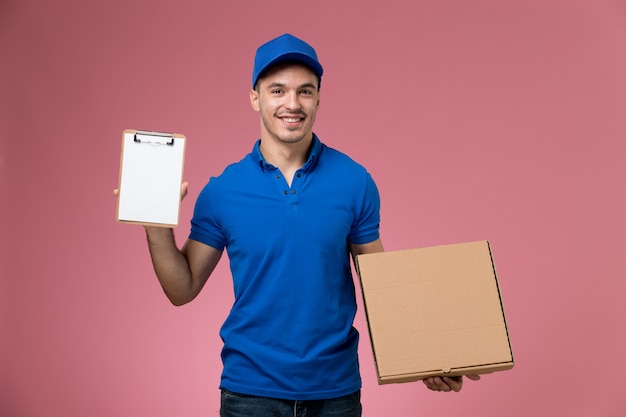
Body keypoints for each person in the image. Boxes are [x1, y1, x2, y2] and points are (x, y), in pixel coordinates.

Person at [119, 33, 478, 417]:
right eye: (277, 90)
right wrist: (156, 225)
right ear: (255, 98)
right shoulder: (222, 191)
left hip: (335, 393)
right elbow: (182, 288)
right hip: (249, 393)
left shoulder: (354, 181)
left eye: (305, 91)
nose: (292, 104)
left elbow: (381, 286)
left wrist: (432, 358)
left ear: (319, 99)